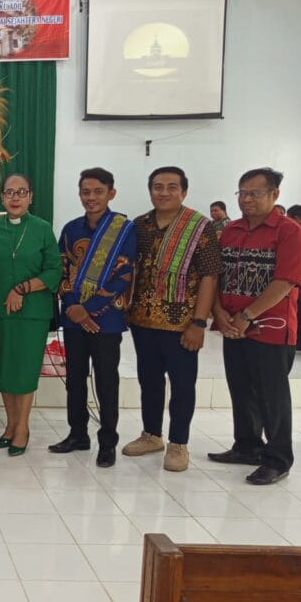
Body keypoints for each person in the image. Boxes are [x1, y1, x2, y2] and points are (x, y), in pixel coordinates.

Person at [210, 168, 301, 485]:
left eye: (254, 193)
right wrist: (219, 312)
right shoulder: (231, 230)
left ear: (274, 194)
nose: (246, 200)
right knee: (240, 388)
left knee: (271, 395)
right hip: (232, 324)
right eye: (242, 193)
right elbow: (217, 276)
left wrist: (247, 315)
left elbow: (285, 282)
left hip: (271, 327)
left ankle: (277, 459)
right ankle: (247, 446)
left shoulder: (290, 233)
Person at [122, 167, 222, 472]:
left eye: (171, 187)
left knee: (182, 384)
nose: (164, 192)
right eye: (157, 186)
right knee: (149, 381)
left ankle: (179, 443)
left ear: (184, 191)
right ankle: (152, 435)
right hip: (143, 321)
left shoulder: (200, 227)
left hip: (182, 324)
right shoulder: (140, 225)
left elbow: (210, 276)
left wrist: (199, 323)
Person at [53, 168, 136, 468]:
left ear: (111, 193)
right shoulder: (71, 229)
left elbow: (124, 274)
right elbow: (62, 269)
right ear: (79, 194)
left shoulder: (124, 230)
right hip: (74, 318)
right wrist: (73, 305)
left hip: (107, 319)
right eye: (85, 192)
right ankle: (77, 434)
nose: (91, 197)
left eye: (98, 192)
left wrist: (87, 308)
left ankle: (108, 441)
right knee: (75, 379)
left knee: (106, 381)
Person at [0, 174, 61, 456]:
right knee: (3, 369)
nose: (15, 198)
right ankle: (11, 424)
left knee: (25, 370)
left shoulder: (42, 229)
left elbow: (54, 270)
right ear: (2, 197)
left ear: (31, 197)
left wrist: (22, 288)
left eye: (21, 192)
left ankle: (23, 428)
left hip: (32, 313)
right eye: (9, 193)